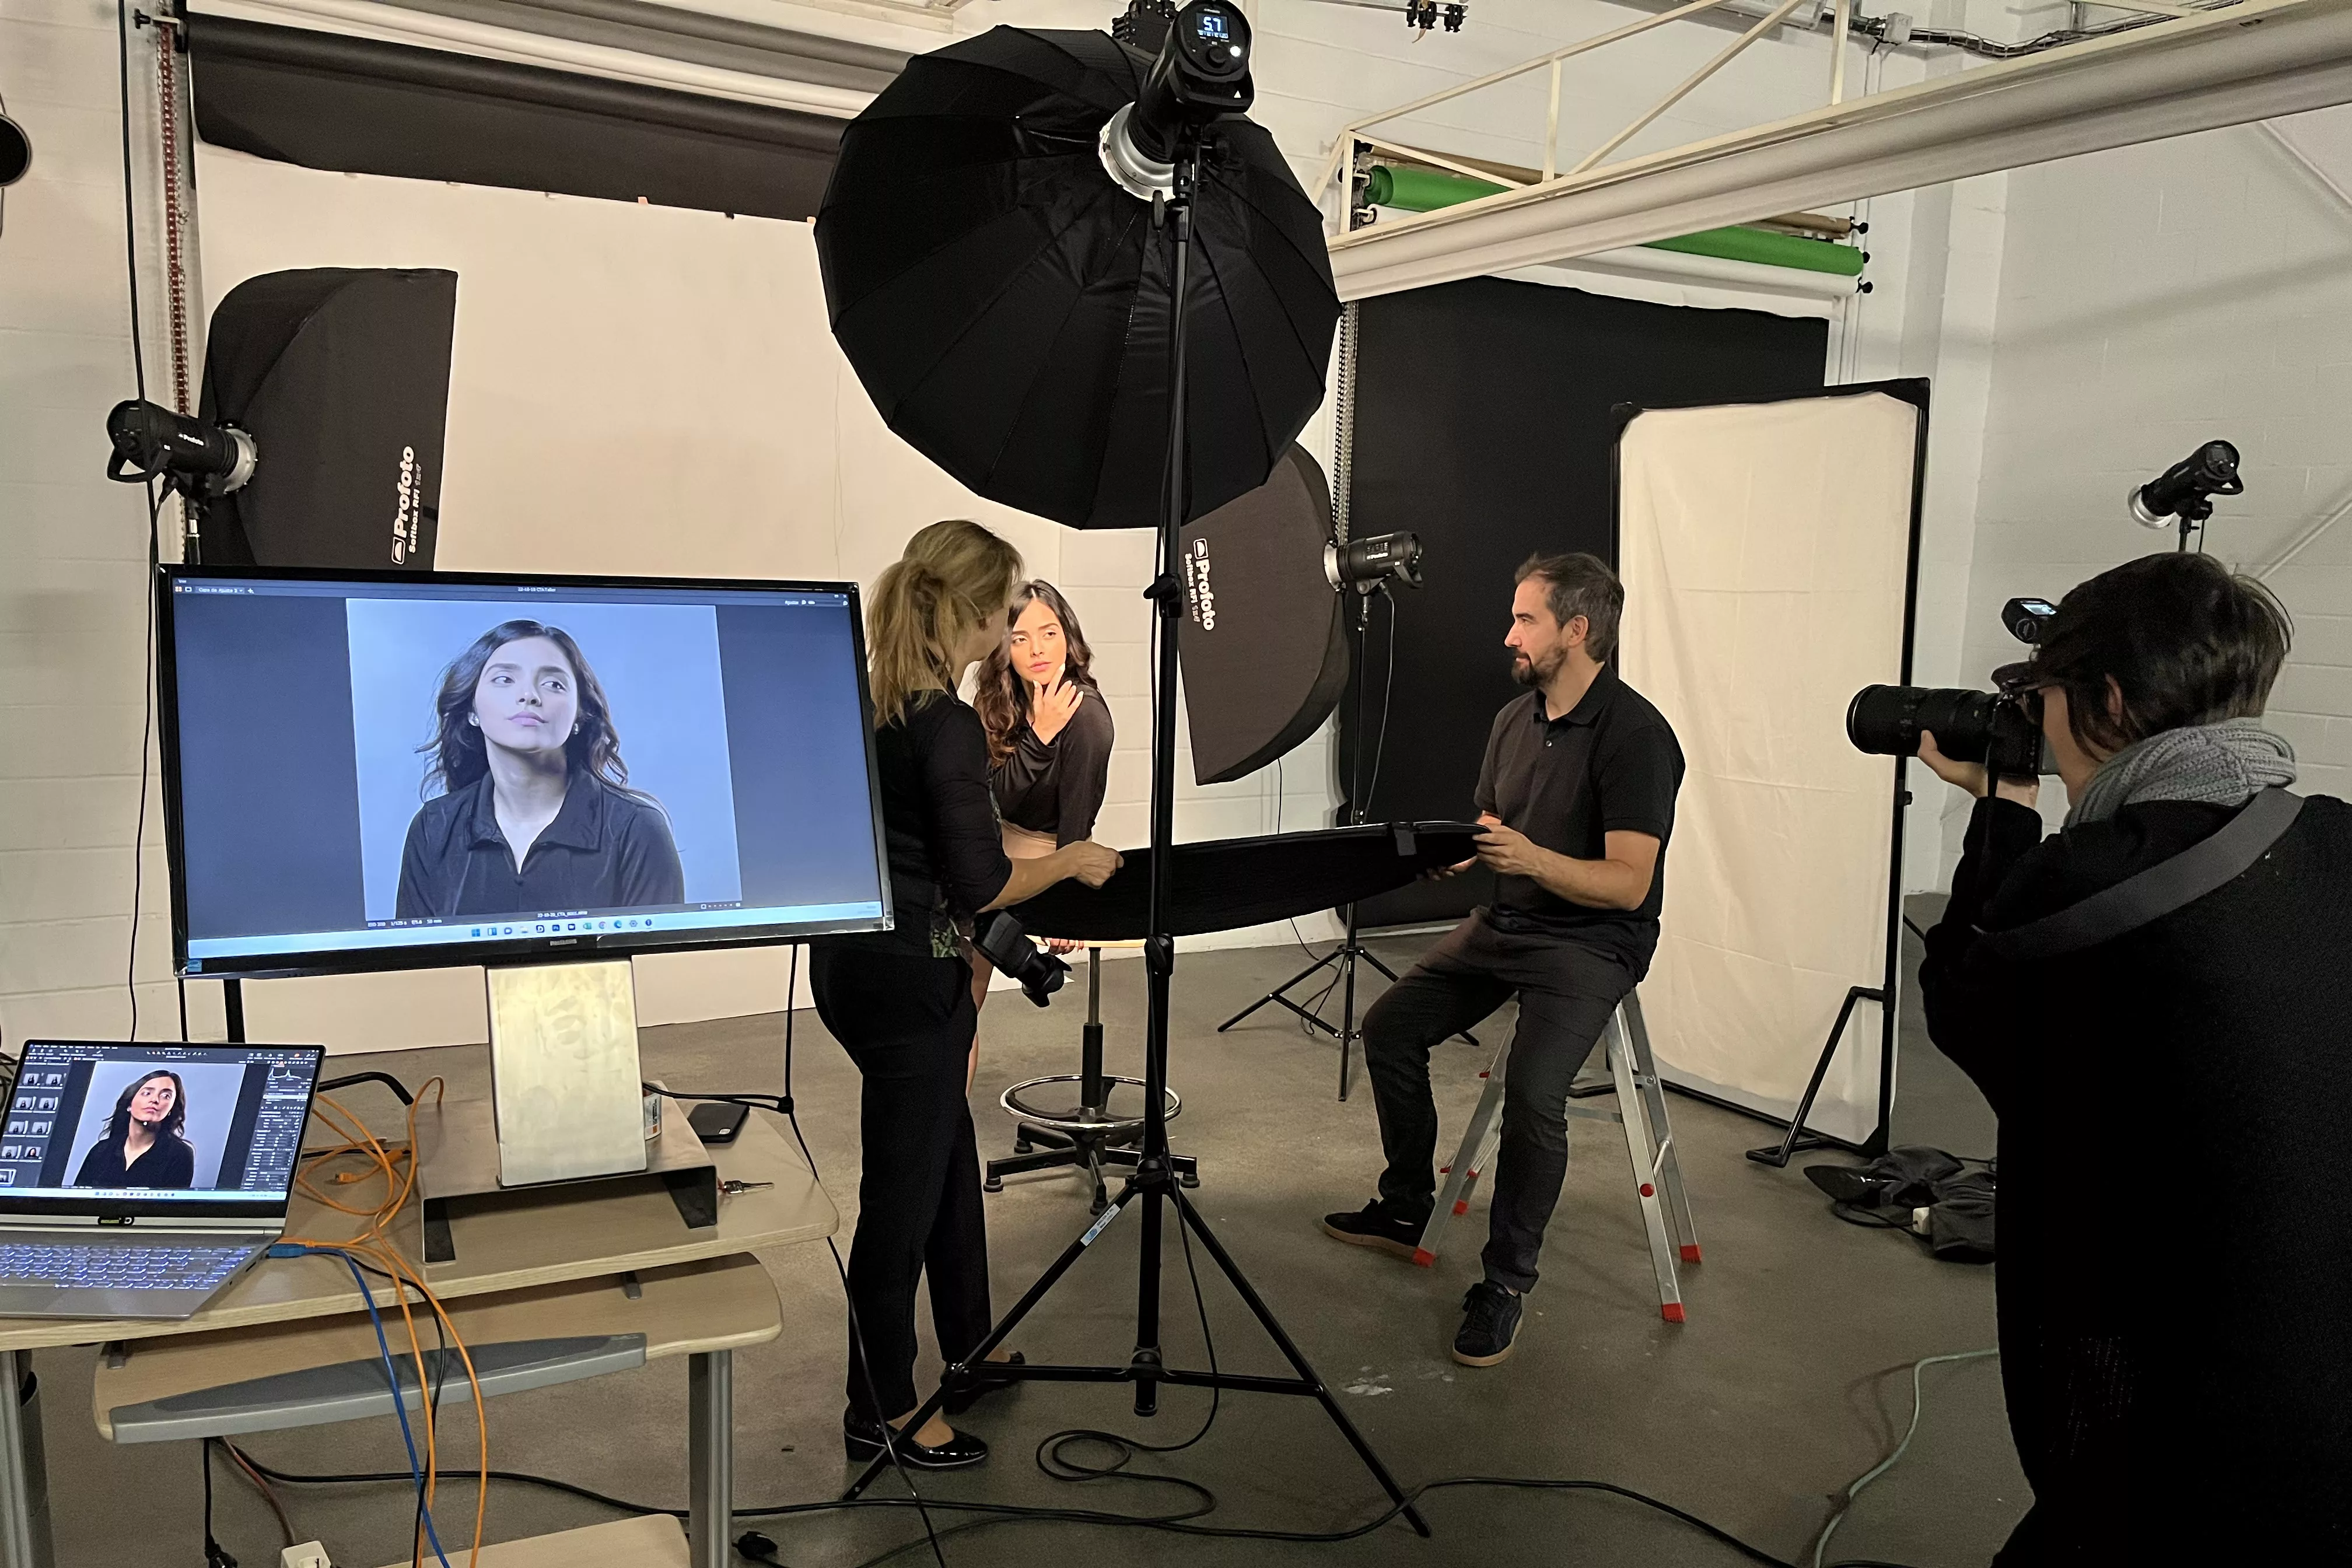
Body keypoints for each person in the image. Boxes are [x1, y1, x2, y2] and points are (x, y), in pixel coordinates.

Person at [1914, 551, 2352, 1564]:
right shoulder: (2332, 843)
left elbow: (1964, 1005)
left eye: (2045, 695)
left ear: (2104, 698)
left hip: (2199, 1427)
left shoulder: (2086, 886)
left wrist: (2003, 804)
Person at [808, 520, 1122, 1471]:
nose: (1013, 629)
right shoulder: (940, 722)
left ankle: (972, 1346)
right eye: (1007, 611)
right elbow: (982, 883)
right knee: (900, 1194)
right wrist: (1070, 858)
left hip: (854, 964)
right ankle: (883, 1407)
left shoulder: (875, 700)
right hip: (910, 976)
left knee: (943, 1160)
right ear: (980, 610)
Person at [1321, 552, 1684, 1368]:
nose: (1509, 634)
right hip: (1510, 921)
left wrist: (1528, 860)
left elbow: (1629, 886)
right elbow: (1496, 823)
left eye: (1526, 619)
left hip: (1592, 941)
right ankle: (1406, 1204)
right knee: (1388, 1030)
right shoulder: (1513, 720)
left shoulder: (1636, 737)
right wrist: (1466, 849)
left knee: (1532, 1094)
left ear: (1577, 631)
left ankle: (1505, 1282)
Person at [396, 620, 684, 920]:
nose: (530, 696)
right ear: (472, 710)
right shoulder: (433, 827)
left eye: (553, 684)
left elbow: (656, 964)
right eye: (505, 679)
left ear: (579, 716)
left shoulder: (637, 829)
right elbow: (417, 964)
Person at [975, 580, 1114, 976]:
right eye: (1020, 638)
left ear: (1068, 639)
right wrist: (1038, 738)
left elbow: (1078, 814)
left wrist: (1066, 902)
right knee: (960, 994)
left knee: (968, 986)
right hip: (988, 845)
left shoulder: (1087, 717)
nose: (1037, 650)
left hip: (1045, 855)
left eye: (1049, 634)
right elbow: (991, 800)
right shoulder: (998, 700)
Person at [72, 1070, 196, 1189]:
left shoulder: (180, 1154)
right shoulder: (100, 1151)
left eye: (166, 1096)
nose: (155, 1100)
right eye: (147, 1093)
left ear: (171, 1110)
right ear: (129, 1105)